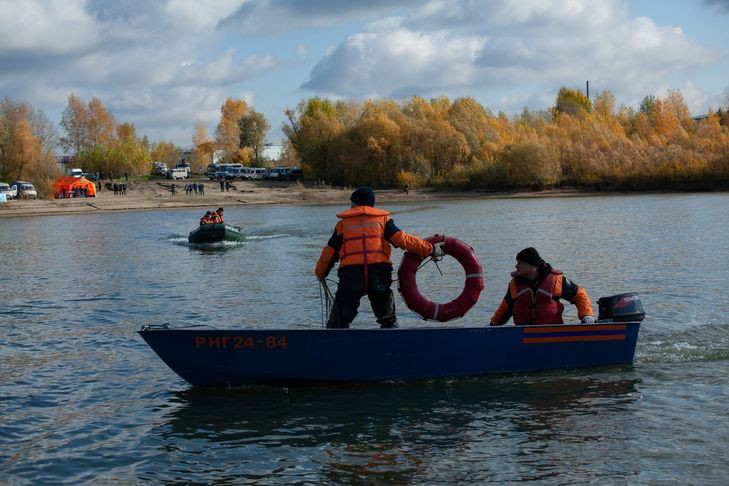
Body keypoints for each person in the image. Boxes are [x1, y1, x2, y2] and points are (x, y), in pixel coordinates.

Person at [315, 186, 445, 329]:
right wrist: (430, 249)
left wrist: (321, 273)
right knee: (388, 321)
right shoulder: (383, 221)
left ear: (356, 202)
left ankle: (334, 345)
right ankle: (391, 344)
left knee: (337, 324)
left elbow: (330, 252)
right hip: (378, 277)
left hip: (351, 278)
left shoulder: (342, 225)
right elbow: (404, 240)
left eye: (352, 202)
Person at [490, 247, 594, 326]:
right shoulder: (514, 284)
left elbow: (579, 295)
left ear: (531, 266)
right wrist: (491, 326)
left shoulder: (556, 281)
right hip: (524, 335)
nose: (516, 266)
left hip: (552, 334)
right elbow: (504, 309)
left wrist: (587, 315)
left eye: (520, 263)